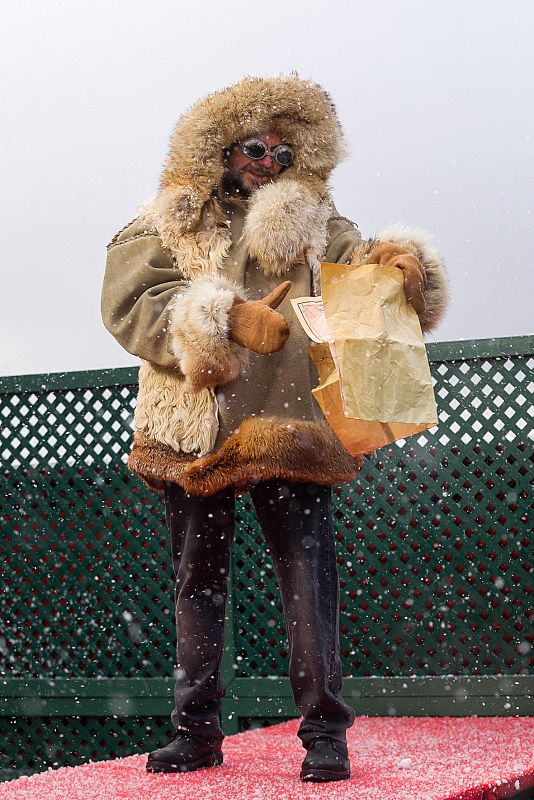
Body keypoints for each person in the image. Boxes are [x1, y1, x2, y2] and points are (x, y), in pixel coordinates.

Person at [101, 75, 449, 782]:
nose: (268, 162)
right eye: (257, 147)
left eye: (284, 154)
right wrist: (221, 320)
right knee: (196, 583)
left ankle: (325, 734)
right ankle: (194, 732)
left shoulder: (318, 219)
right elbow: (132, 299)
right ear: (225, 145)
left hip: (293, 418)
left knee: (308, 581)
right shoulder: (170, 216)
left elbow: (364, 264)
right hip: (195, 421)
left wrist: (401, 265)